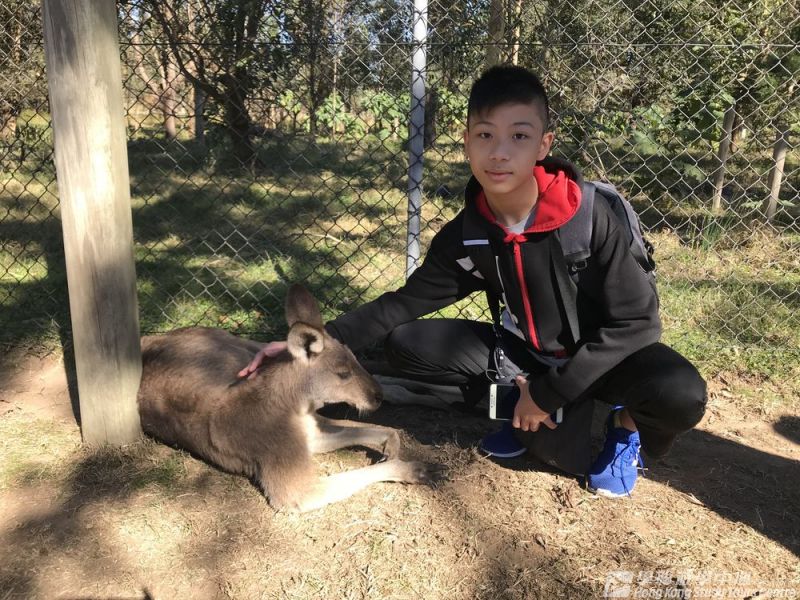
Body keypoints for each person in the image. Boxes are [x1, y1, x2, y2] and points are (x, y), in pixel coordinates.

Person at [239, 65, 707, 497]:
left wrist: (550, 394)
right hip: (529, 356)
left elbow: (638, 323)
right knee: (406, 343)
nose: (499, 152)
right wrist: (319, 343)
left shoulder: (587, 216)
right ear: (466, 142)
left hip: (604, 359)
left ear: (543, 145)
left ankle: (623, 427)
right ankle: (518, 405)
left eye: (519, 136)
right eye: (485, 135)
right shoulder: (470, 233)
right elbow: (403, 303)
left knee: (680, 392)